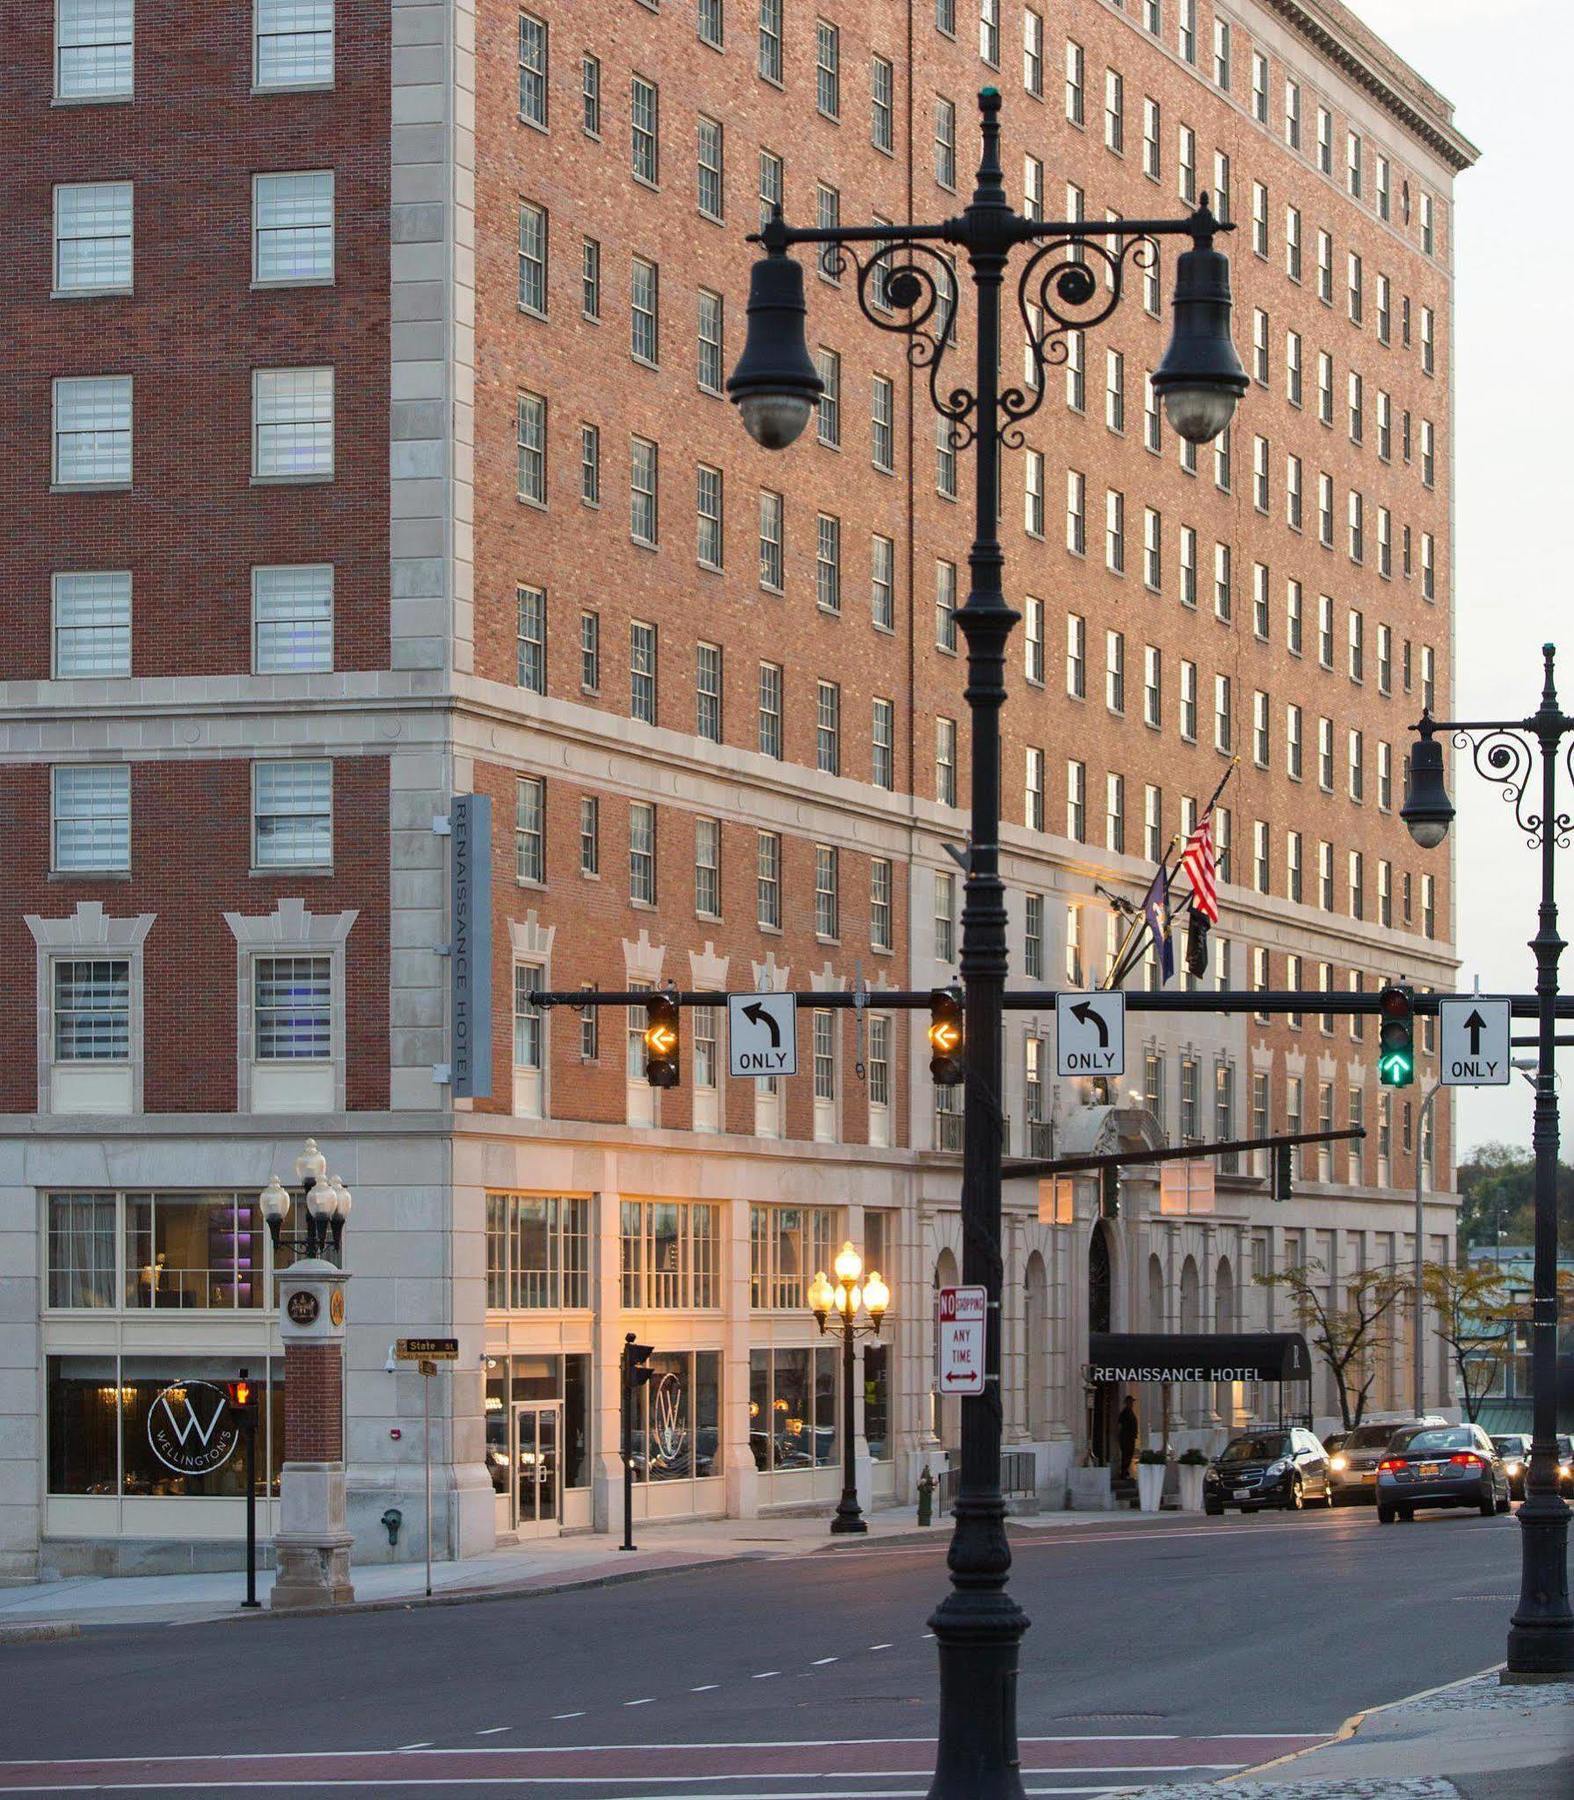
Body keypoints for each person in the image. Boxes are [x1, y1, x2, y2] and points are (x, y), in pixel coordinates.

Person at [1117, 1393, 1139, 1479]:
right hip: (1126, 1438)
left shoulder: (1129, 1411)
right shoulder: (1125, 1412)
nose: (1132, 1403)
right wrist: (1120, 1436)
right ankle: (1123, 1472)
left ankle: (1125, 1472)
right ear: (1127, 1402)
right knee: (1126, 1455)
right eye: (1130, 1402)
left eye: (1132, 1402)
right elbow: (1120, 1425)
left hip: (1130, 1437)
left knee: (1129, 1455)